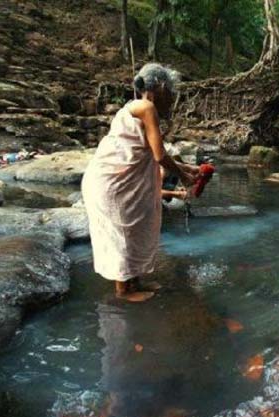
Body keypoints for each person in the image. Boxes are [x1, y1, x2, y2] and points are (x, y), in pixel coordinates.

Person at [81, 63, 194, 302]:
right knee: (122, 232)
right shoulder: (146, 107)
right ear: (161, 88)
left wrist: (187, 168)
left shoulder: (135, 107)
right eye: (171, 93)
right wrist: (184, 177)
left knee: (131, 231)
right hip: (111, 182)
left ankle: (134, 282)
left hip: (113, 179)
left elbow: (150, 151)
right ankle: (124, 291)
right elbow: (159, 155)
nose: (172, 100)